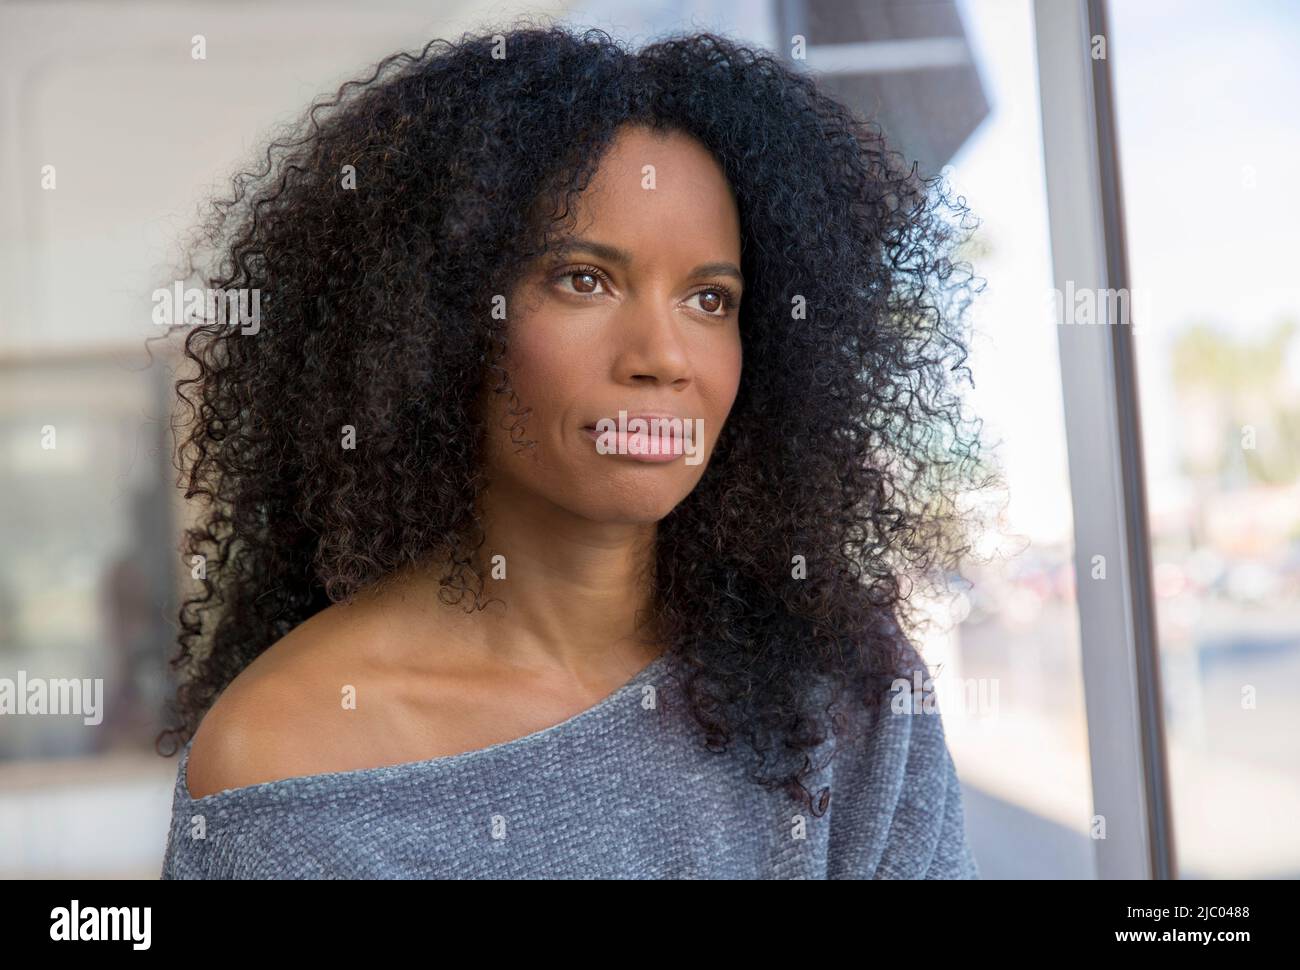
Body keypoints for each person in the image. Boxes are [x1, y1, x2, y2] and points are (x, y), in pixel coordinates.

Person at [157, 22, 986, 879]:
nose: (663, 356)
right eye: (583, 279)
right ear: (436, 325)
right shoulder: (288, 761)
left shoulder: (842, 689)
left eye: (710, 298)